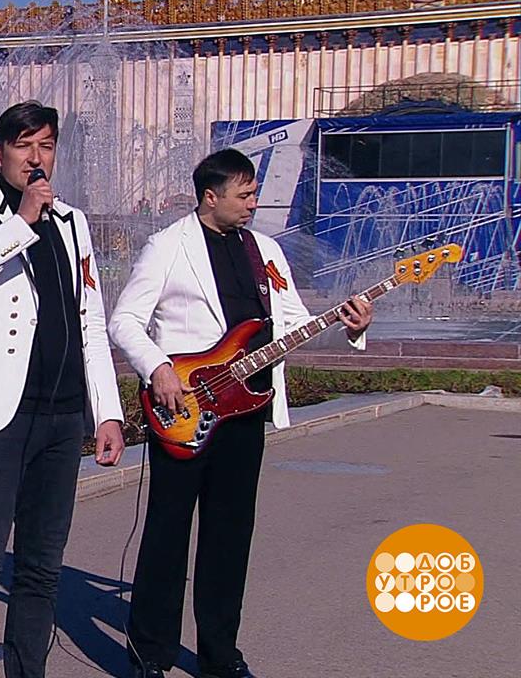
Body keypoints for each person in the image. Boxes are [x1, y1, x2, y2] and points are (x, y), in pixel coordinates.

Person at [108, 148, 373, 678]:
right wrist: (158, 368)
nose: (253, 203)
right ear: (211, 197)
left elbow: (294, 322)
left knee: (230, 537)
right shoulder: (168, 247)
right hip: (184, 409)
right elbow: (124, 322)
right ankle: (151, 653)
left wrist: (350, 328)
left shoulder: (264, 250)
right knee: (167, 533)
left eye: (254, 193)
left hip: (246, 412)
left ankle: (220, 655)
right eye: (244, 194)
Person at [0, 100, 126, 678]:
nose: (36, 158)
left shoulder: (72, 221)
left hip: (62, 416)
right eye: (24, 146)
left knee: (41, 568)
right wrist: (20, 221)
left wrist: (107, 412)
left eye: (46, 145)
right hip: (0, 416)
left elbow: (90, 319)